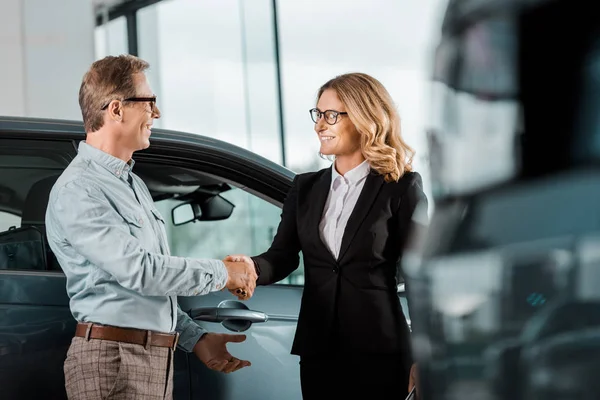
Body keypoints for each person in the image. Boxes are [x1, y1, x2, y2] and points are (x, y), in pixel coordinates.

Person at [45, 55, 257, 400]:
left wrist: (196, 339)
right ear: (116, 109)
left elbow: (149, 289)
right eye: (149, 102)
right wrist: (225, 273)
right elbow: (140, 271)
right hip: (112, 362)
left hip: (147, 359)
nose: (156, 114)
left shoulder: (132, 185)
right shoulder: (80, 190)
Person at [226, 72, 428, 399]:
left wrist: (425, 354)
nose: (320, 124)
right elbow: (282, 256)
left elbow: (421, 276)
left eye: (331, 115)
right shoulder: (305, 188)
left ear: (365, 118)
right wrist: (252, 267)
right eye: (318, 114)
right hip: (319, 349)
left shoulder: (401, 187)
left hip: (381, 349)